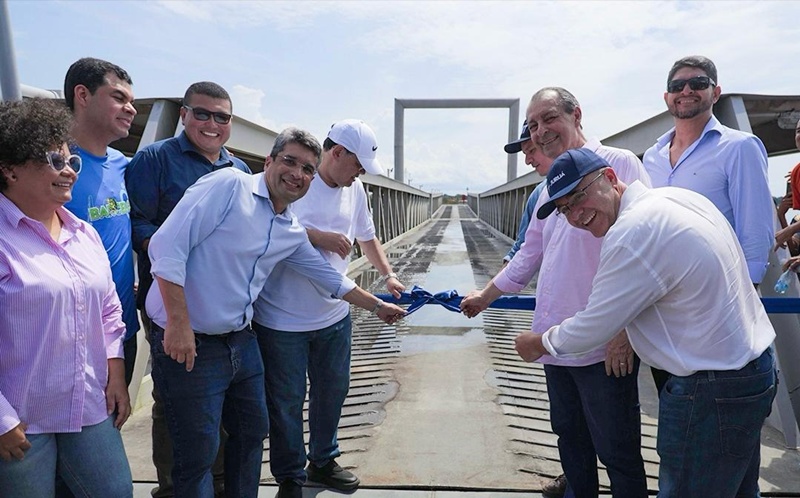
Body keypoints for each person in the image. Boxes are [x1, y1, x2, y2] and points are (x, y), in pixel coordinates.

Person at [145, 127, 406, 498]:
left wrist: (378, 305)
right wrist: (178, 324)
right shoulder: (228, 186)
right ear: (268, 161)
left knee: (252, 433)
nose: (297, 174)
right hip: (192, 341)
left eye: (306, 169)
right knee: (197, 450)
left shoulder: (289, 228)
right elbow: (166, 249)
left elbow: (330, 279)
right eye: (289, 162)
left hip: (239, 339)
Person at [516, 148, 777, 498]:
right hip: (754, 369)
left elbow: (595, 324)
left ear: (610, 178)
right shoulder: (678, 199)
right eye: (564, 209)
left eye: (579, 196)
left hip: (709, 389)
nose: (575, 214)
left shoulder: (631, 232)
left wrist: (540, 344)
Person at [461, 87, 650, 498]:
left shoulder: (617, 163)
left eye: (549, 119)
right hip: (553, 341)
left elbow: (643, 250)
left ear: (576, 115)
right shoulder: (550, 186)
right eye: (533, 125)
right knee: (570, 440)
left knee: (618, 450)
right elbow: (529, 254)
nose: (541, 132)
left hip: (602, 344)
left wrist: (625, 331)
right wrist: (485, 296)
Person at [253, 120, 404, 498]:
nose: (359, 175)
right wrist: (316, 236)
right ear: (337, 153)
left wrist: (387, 276)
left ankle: (323, 460)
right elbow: (267, 222)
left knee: (332, 391)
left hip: (334, 316)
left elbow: (367, 236)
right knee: (286, 400)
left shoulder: (356, 191)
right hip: (283, 318)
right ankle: (290, 476)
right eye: (357, 166)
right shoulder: (295, 182)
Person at [0, 98, 133, 497]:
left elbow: (109, 309)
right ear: (8, 168)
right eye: (54, 161)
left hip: (87, 406)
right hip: (21, 420)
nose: (69, 172)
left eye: (72, 162)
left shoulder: (85, 234)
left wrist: (116, 373)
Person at [126, 81, 250, 498]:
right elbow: (135, 221)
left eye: (222, 117)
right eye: (202, 113)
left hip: (220, 309)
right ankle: (172, 488)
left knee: (217, 405)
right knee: (176, 403)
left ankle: (211, 483)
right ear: (183, 114)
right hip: (171, 307)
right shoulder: (154, 159)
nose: (211, 124)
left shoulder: (239, 171)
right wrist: (176, 246)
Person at [643, 55, 774, 395]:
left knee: (719, 405)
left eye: (698, 83)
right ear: (667, 97)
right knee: (674, 402)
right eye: (677, 86)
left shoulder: (739, 147)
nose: (686, 90)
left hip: (717, 301)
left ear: (715, 93)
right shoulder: (652, 156)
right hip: (662, 304)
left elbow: (756, 227)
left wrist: (749, 291)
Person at [63, 57, 140, 385]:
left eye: (132, 102)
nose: (131, 109)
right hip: (69, 338)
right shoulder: (52, 167)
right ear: (83, 95)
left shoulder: (125, 166)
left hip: (122, 331)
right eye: (119, 98)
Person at [503, 122, 566, 498]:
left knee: (611, 430)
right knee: (566, 421)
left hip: (600, 329)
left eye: (531, 149)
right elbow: (523, 252)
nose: (528, 158)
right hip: (554, 333)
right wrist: (487, 292)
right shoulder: (538, 195)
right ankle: (574, 478)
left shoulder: (609, 170)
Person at [774, 118, 800, 250]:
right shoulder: (797, 172)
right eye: (798, 131)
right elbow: (794, 248)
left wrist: (792, 228)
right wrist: (781, 215)